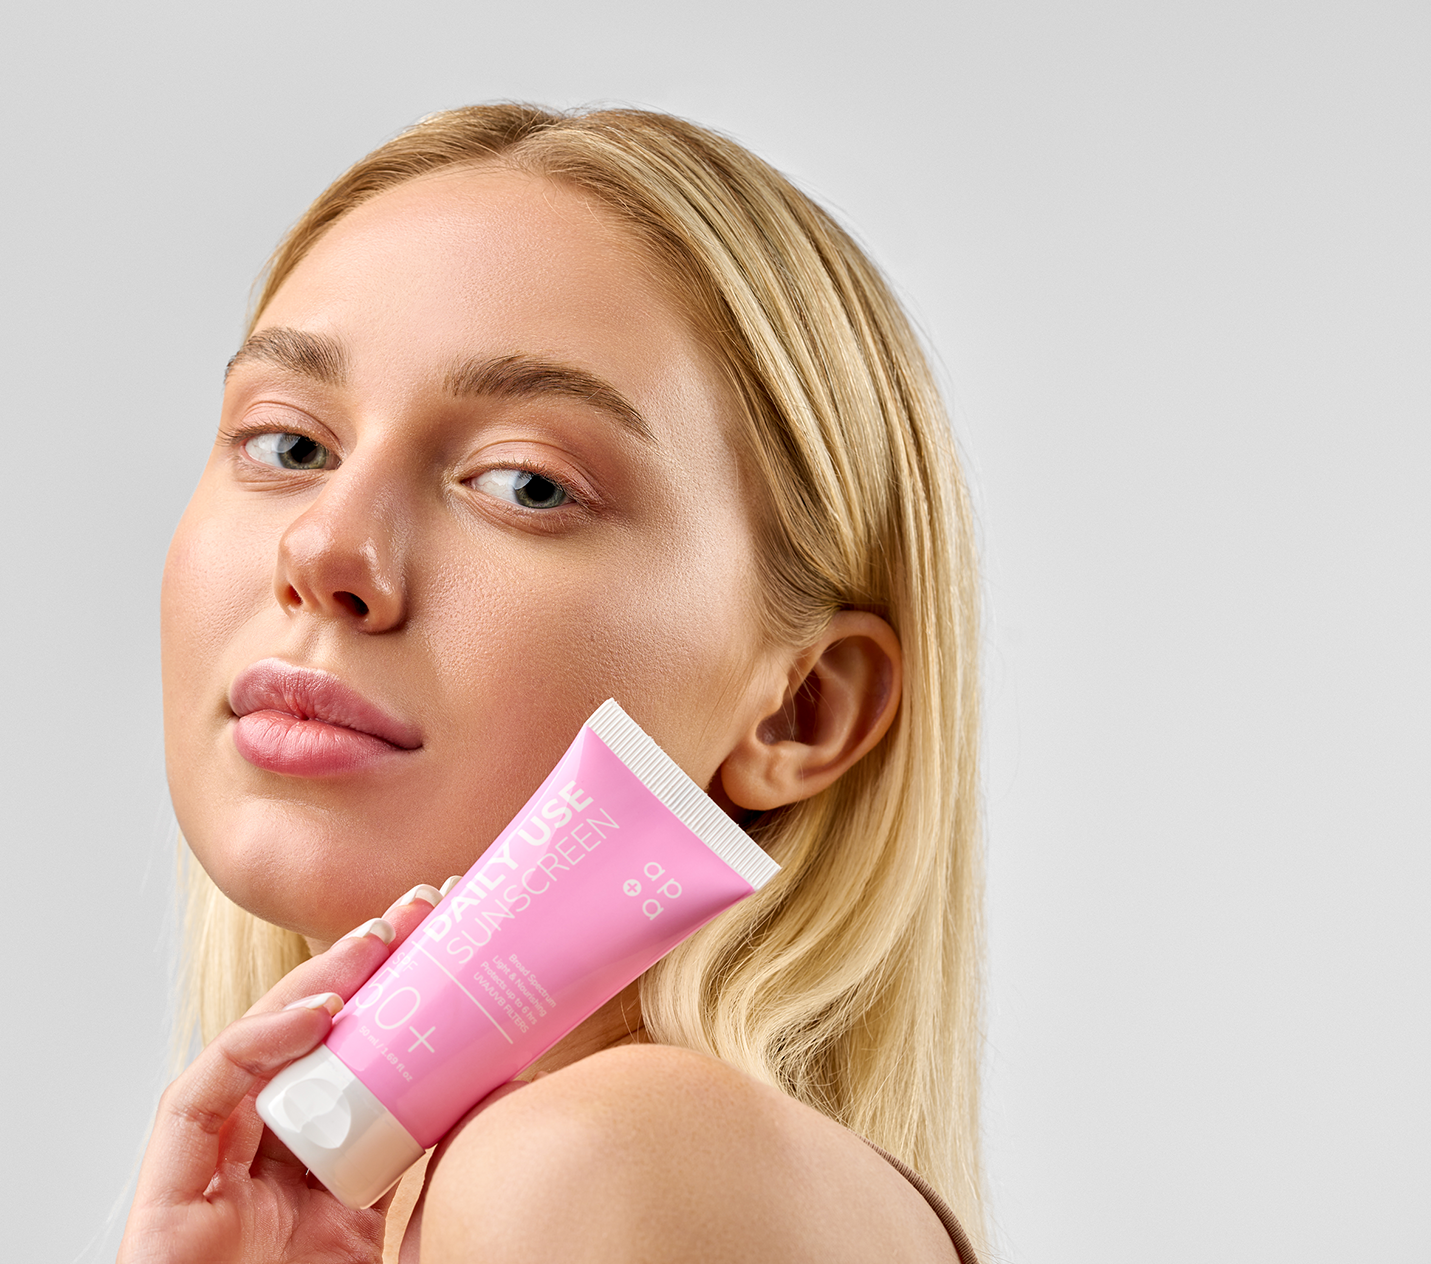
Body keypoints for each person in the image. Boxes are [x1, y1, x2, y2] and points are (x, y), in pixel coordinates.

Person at [120, 104, 984, 1263]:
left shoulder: (603, 1160)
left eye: (528, 483)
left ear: (802, 706)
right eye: (291, 445)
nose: (325, 549)